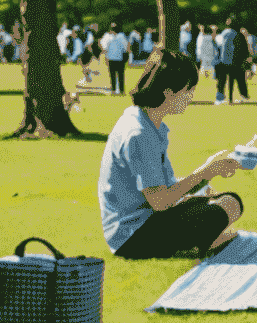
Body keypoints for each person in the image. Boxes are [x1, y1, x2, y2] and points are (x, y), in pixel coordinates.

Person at [97, 48, 245, 259]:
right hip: (132, 235)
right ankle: (203, 243)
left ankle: (202, 240)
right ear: (168, 91)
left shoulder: (148, 123)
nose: (191, 96)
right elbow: (161, 201)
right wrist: (205, 173)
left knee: (228, 201)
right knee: (226, 206)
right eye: (188, 90)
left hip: (143, 221)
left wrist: (204, 179)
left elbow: (165, 190)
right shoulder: (139, 133)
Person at [103, 22, 129, 96]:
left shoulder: (108, 37)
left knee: (113, 75)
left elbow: (105, 48)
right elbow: (125, 47)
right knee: (120, 75)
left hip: (112, 58)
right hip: (119, 58)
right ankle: (121, 90)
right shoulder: (121, 36)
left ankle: (114, 90)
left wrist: (106, 56)